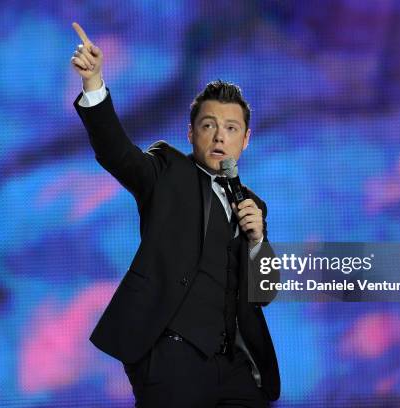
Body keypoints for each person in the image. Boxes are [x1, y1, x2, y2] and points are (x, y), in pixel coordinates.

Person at [70, 22, 280, 407]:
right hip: (171, 356)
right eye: (209, 125)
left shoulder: (253, 205)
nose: (220, 137)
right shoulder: (167, 172)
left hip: (232, 364)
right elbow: (117, 152)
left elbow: (264, 293)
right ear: (190, 133)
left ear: (246, 139)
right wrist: (95, 83)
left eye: (231, 128)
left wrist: (257, 242)